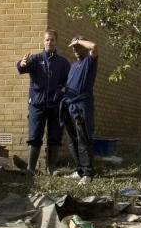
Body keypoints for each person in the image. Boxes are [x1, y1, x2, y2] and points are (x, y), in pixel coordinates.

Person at [16, 30, 70, 173]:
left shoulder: (63, 63)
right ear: (43, 41)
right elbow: (22, 68)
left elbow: (69, 81)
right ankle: (31, 168)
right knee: (34, 136)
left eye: (52, 40)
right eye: (47, 40)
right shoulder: (35, 59)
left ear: (56, 42)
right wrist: (21, 64)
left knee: (54, 136)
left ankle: (52, 168)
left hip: (55, 104)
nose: (49, 42)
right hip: (36, 104)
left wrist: (62, 91)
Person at [60, 36, 98, 184]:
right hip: (70, 106)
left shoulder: (89, 61)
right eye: (73, 47)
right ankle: (79, 170)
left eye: (77, 46)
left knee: (84, 139)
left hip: (82, 107)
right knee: (72, 140)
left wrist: (78, 41)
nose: (75, 49)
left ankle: (88, 174)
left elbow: (94, 46)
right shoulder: (73, 66)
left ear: (83, 46)